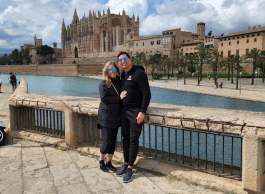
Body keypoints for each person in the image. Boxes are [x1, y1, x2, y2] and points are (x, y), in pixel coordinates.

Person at [116, 52, 151, 183]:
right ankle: (125, 164)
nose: (123, 61)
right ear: (119, 63)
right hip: (124, 112)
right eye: (120, 60)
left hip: (135, 111)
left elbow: (147, 94)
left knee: (133, 139)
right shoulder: (123, 75)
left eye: (125, 59)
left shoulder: (139, 74)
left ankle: (130, 167)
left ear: (130, 59)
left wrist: (142, 112)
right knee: (125, 138)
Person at [97, 61, 124, 173]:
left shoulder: (120, 82)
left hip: (116, 116)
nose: (112, 72)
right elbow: (105, 99)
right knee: (107, 140)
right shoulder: (103, 84)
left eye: (113, 69)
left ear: (117, 70)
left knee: (113, 140)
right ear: (106, 71)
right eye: (109, 70)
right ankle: (101, 160)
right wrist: (119, 98)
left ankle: (109, 162)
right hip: (106, 116)